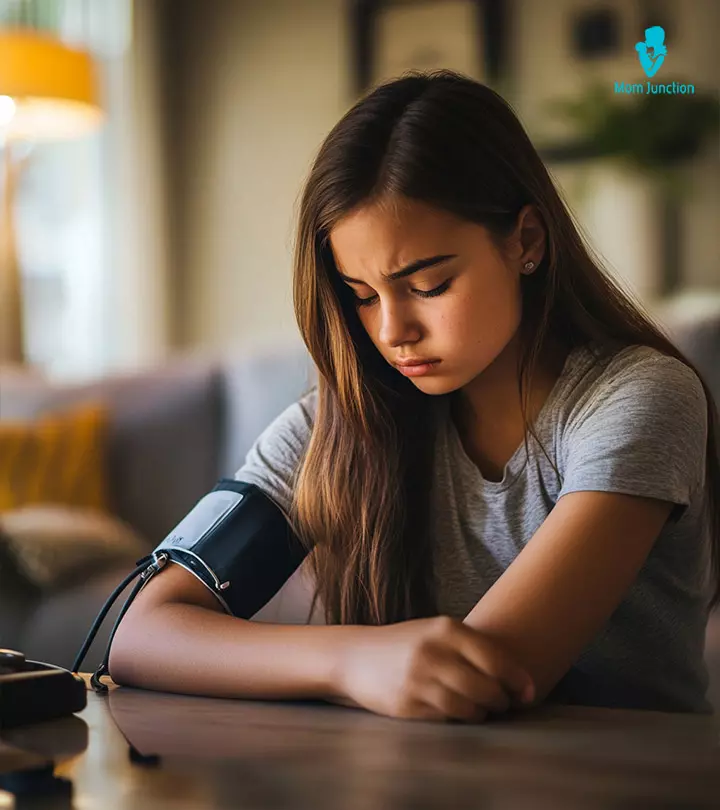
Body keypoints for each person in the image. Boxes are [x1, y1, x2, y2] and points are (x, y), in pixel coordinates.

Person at [109, 70, 720, 721]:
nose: (393, 332)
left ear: (527, 242)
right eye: (363, 297)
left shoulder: (641, 398)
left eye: (428, 285)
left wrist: (362, 662)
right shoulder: (338, 423)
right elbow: (139, 633)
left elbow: (492, 675)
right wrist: (349, 660)